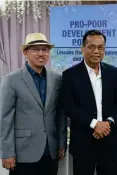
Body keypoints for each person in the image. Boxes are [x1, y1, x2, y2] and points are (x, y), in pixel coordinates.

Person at [0, 33, 67, 175]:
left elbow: (60, 114)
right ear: (25, 52)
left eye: (45, 49)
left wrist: (61, 143)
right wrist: (6, 152)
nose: (41, 54)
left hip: (51, 151)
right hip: (23, 153)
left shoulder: (57, 79)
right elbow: (5, 119)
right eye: (36, 49)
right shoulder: (11, 80)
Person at [61, 29, 117, 175]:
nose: (96, 51)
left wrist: (108, 123)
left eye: (100, 47)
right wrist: (95, 124)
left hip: (109, 141)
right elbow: (69, 106)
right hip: (84, 142)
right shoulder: (70, 75)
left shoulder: (113, 72)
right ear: (83, 49)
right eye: (91, 47)